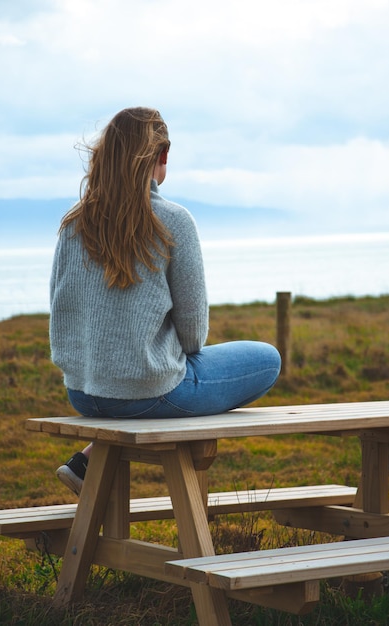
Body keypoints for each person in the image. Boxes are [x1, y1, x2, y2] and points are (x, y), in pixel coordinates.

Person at [50, 107, 281, 496]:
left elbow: (62, 315)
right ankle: (92, 457)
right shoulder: (173, 220)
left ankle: (88, 459)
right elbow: (193, 338)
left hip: (83, 392)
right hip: (148, 392)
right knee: (267, 359)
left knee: (133, 388)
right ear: (163, 156)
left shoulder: (73, 222)